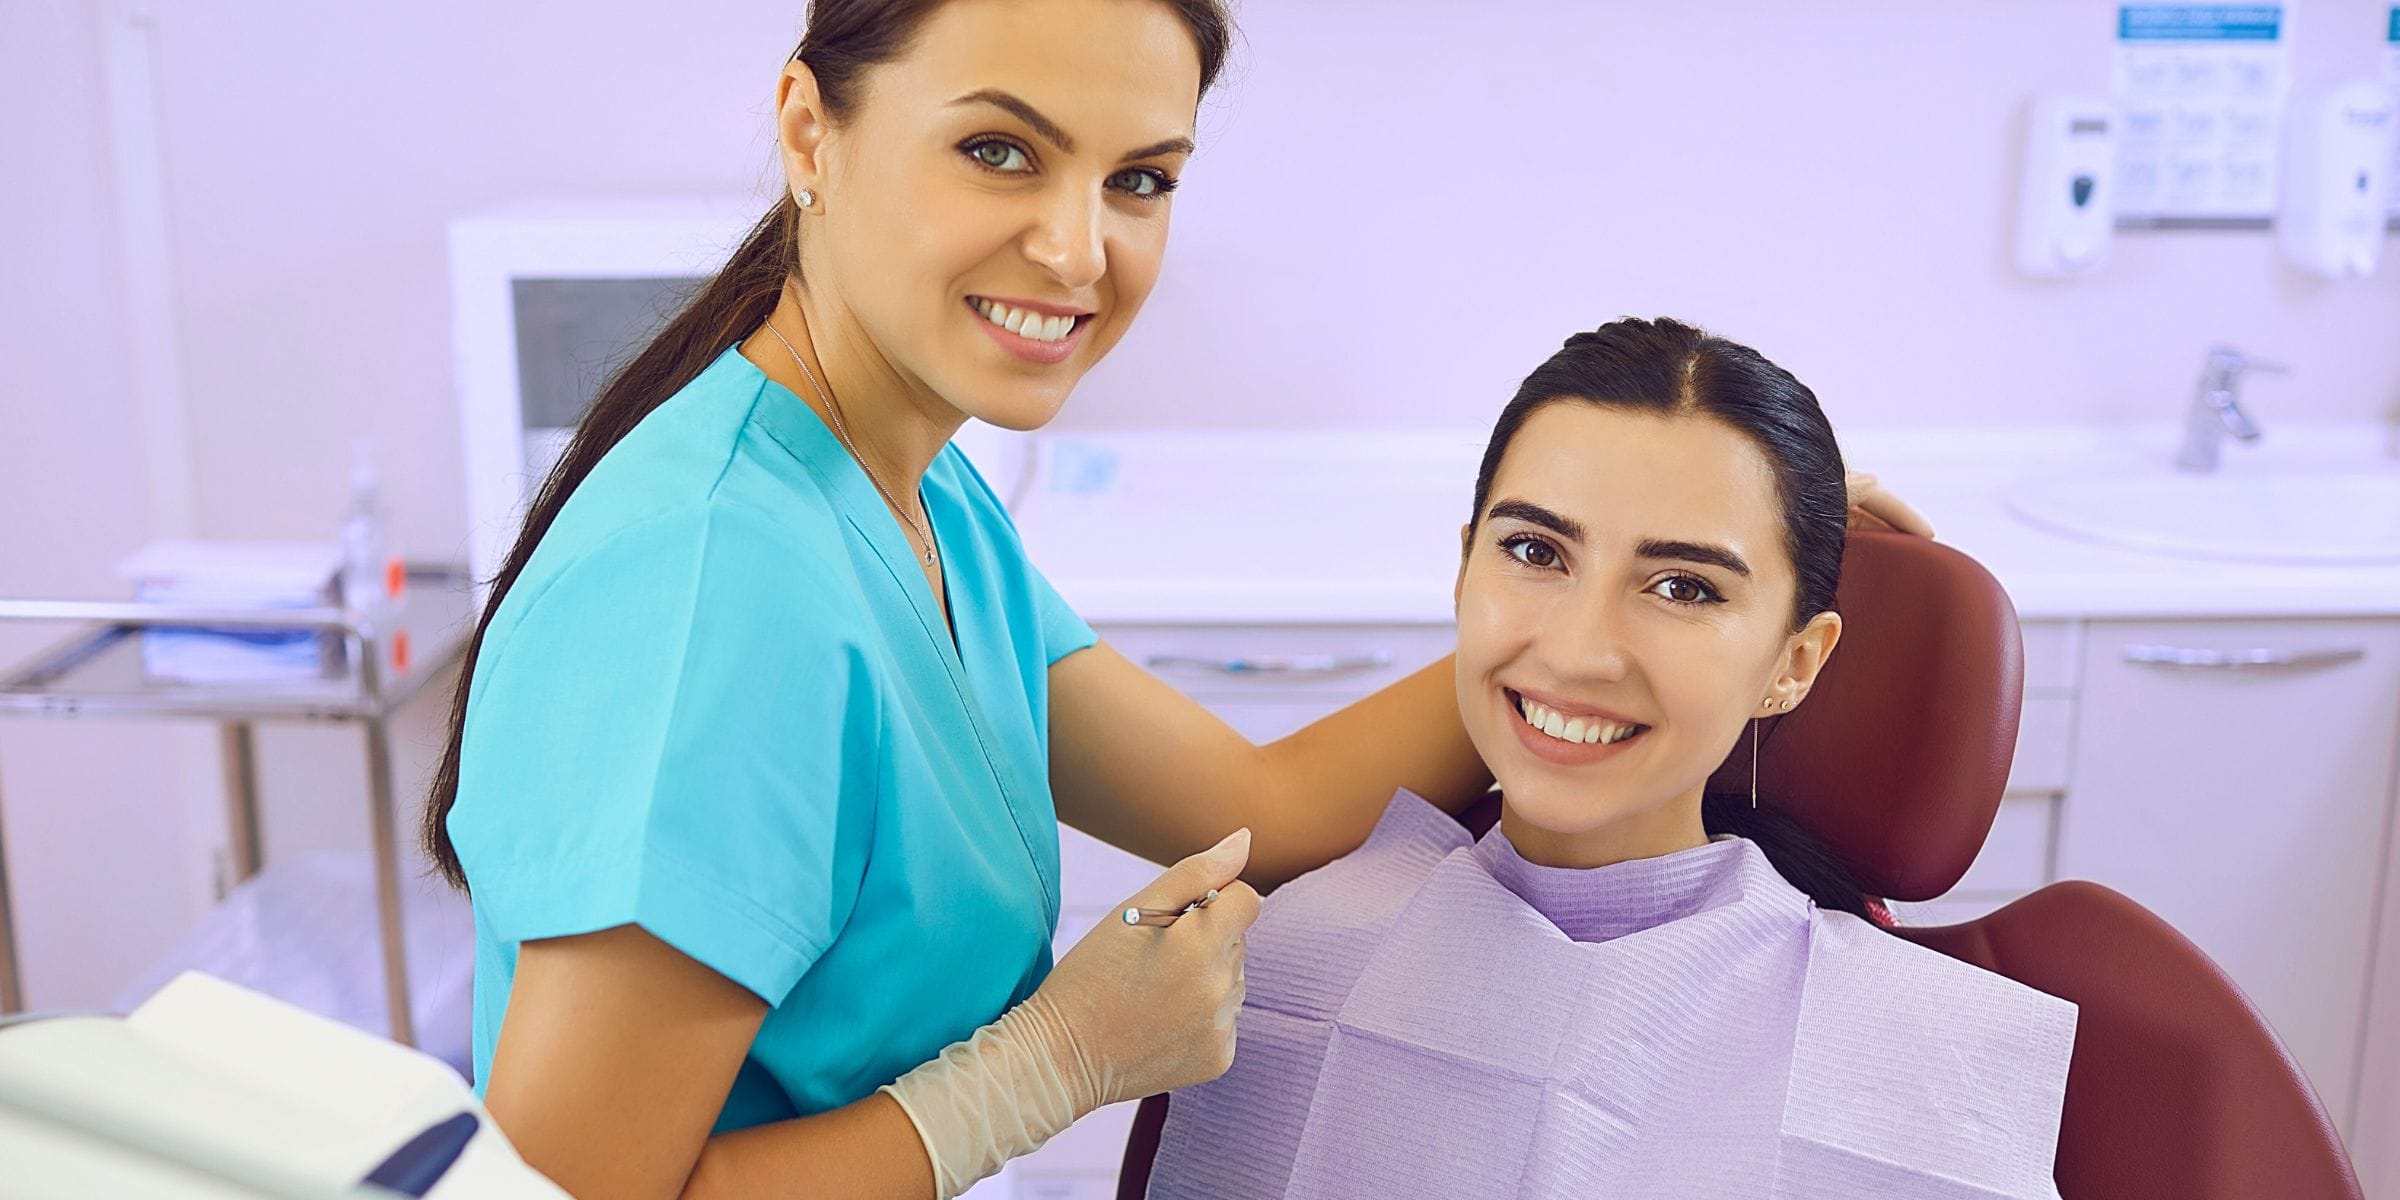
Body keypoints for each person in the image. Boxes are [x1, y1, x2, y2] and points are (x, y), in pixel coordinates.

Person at [421, 3, 1933, 1197]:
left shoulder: (903, 489)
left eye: (1139, 178)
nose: (1080, 249)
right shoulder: (718, 592)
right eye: (1001, 151)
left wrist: (1569, 622)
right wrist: (1039, 1073)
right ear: (812, 127)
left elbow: (1258, 802)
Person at [1146, 318, 2075, 1200]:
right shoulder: (1264, 963)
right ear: (1464, 570)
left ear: (1794, 663)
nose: (1581, 652)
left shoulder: (1924, 1070)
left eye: (1683, 586)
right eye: (1534, 551)